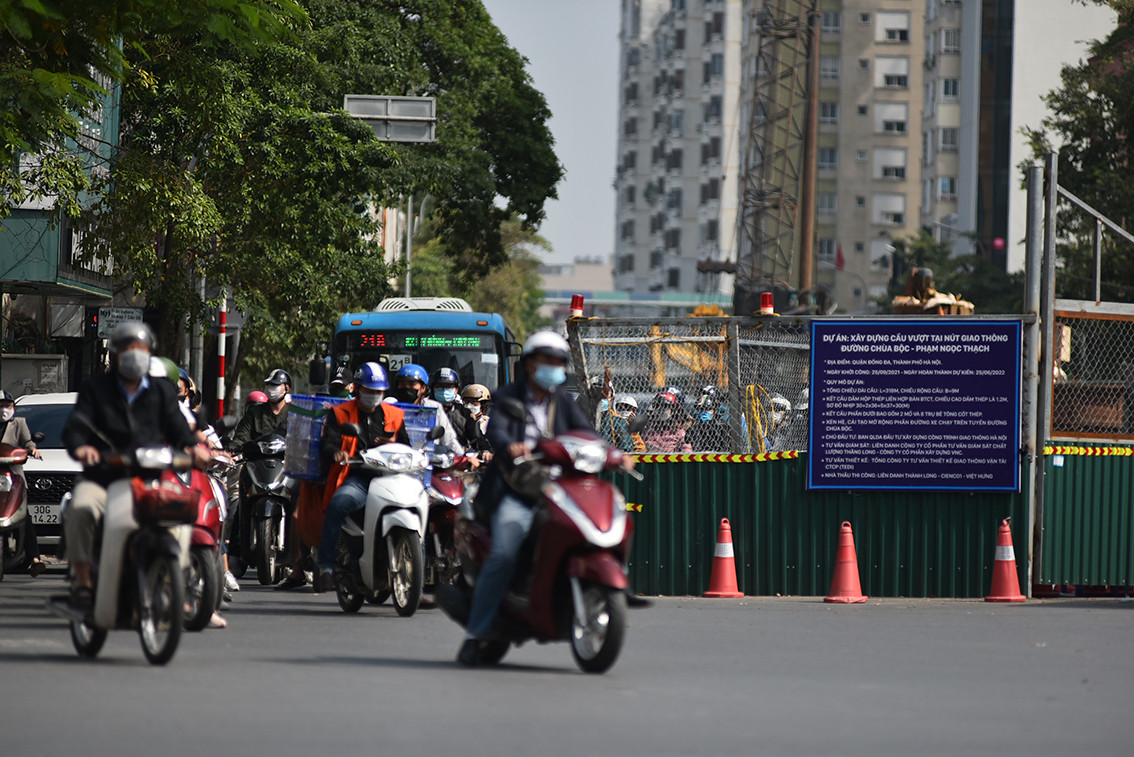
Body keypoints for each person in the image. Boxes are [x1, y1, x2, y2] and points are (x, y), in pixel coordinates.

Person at [457, 331, 634, 666]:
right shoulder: (508, 396)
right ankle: (477, 632)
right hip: (516, 487)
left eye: (558, 362)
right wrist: (512, 447)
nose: (553, 368)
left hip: (560, 486)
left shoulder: (563, 401)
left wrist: (613, 454)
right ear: (529, 364)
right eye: (546, 361)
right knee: (505, 551)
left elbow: (587, 435)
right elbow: (497, 431)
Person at [62, 321, 211, 610]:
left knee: (180, 513)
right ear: (115, 354)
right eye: (128, 348)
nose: (135, 354)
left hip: (152, 480)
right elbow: (76, 427)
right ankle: (83, 581)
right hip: (105, 479)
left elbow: (179, 428)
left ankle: (173, 581)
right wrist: (82, 447)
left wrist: (194, 447)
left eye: (140, 349)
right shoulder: (96, 389)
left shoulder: (161, 392)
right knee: (80, 508)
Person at [314, 362, 410, 592]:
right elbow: (327, 444)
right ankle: (326, 568)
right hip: (360, 478)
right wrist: (336, 453)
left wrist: (394, 444)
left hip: (391, 478)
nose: (374, 396)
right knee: (337, 505)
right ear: (357, 389)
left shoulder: (395, 415)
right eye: (369, 390)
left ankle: (419, 576)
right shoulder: (340, 413)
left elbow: (407, 445)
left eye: (378, 392)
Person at [0, 390, 45, 576]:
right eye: (0, 405)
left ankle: (35, 559)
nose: (4, 409)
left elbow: (27, 441)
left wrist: (32, 449)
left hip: (13, 477)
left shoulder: (19, 423)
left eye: (7, 405)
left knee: (23, 516)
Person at [389, 363, 463, 454]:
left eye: (412, 384)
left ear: (423, 388)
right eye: (403, 384)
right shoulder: (390, 407)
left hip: (428, 459)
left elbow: (449, 440)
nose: (406, 388)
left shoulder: (433, 407)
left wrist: (463, 458)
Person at [432, 367, 486, 457]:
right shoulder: (424, 409)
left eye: (448, 387)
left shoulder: (464, 413)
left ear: (456, 390)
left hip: (457, 460)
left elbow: (476, 437)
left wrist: (485, 451)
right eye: (440, 386)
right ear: (433, 389)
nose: (444, 390)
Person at [459, 383, 494, 460]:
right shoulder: (461, 421)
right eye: (467, 402)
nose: (469, 406)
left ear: (483, 405)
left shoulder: (491, 424)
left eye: (473, 402)